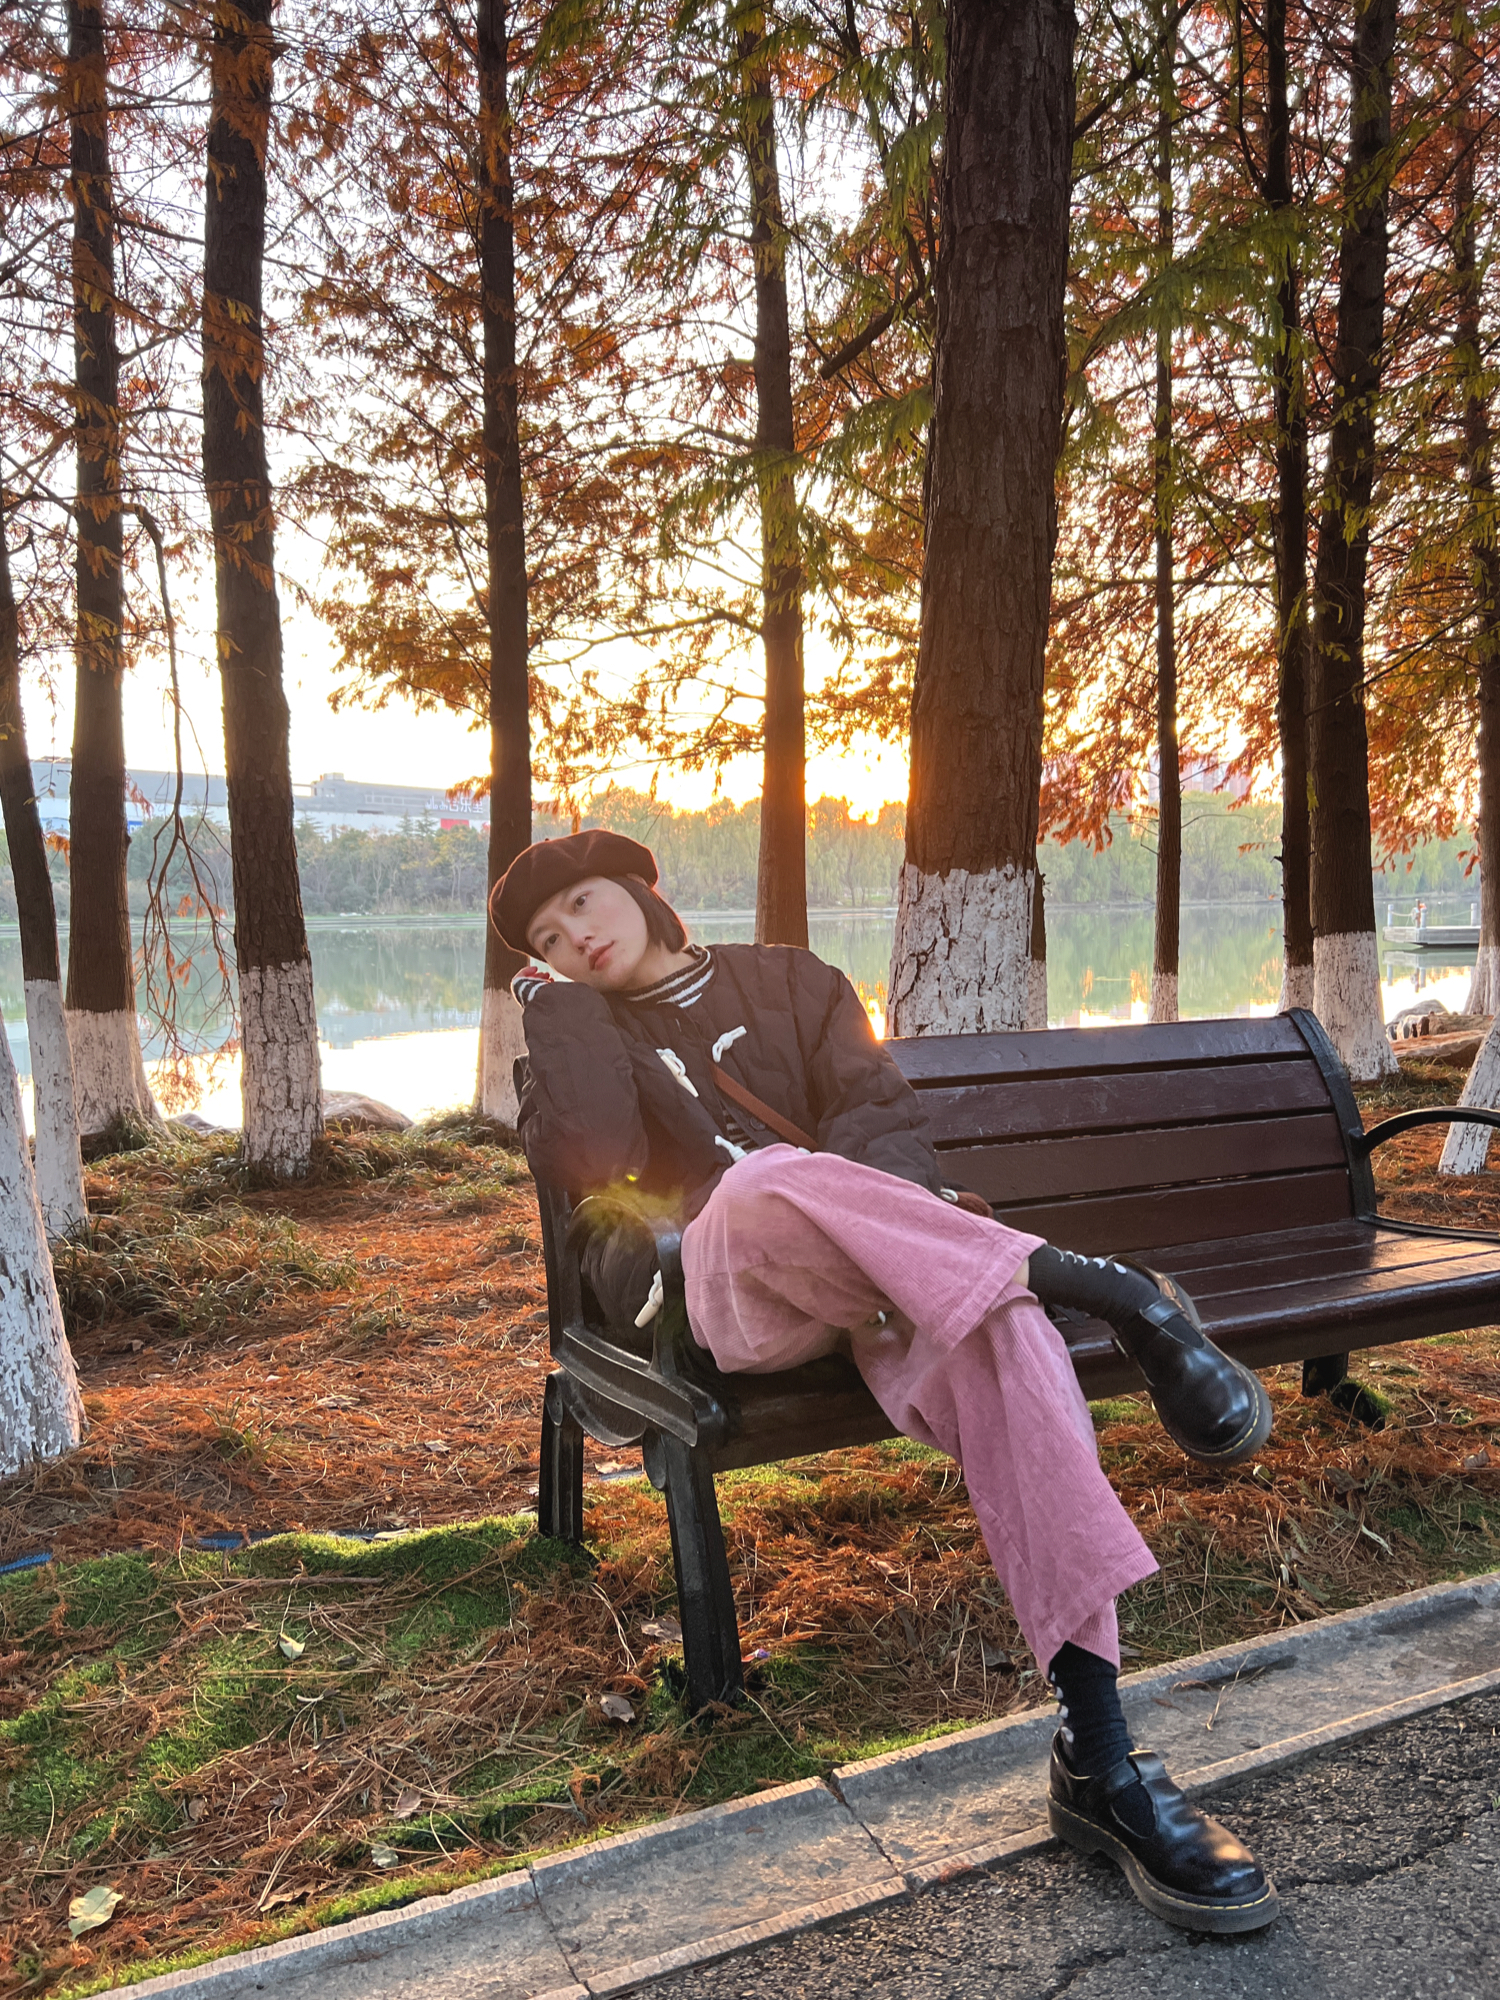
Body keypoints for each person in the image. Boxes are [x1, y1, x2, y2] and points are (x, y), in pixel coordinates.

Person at [495, 828, 1278, 1936]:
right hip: (727, 1297)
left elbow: (882, 1117)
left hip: (882, 1283)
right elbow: (594, 1160)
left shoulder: (791, 981)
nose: (574, 936)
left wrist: (878, 1243)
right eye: (546, 938)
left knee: (1007, 1334)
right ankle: (1112, 1290)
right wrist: (562, 1011)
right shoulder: (575, 1029)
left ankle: (1102, 1758)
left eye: (581, 902)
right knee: (760, 1186)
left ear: (635, 888)